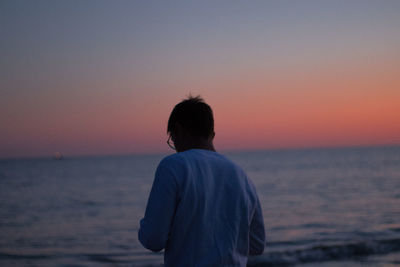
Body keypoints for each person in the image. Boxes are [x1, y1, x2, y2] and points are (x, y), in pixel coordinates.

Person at [138, 96, 266, 266]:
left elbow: (153, 240)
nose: (175, 147)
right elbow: (257, 244)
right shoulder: (241, 175)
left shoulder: (173, 165)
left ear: (177, 130)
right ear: (211, 134)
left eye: (172, 140)